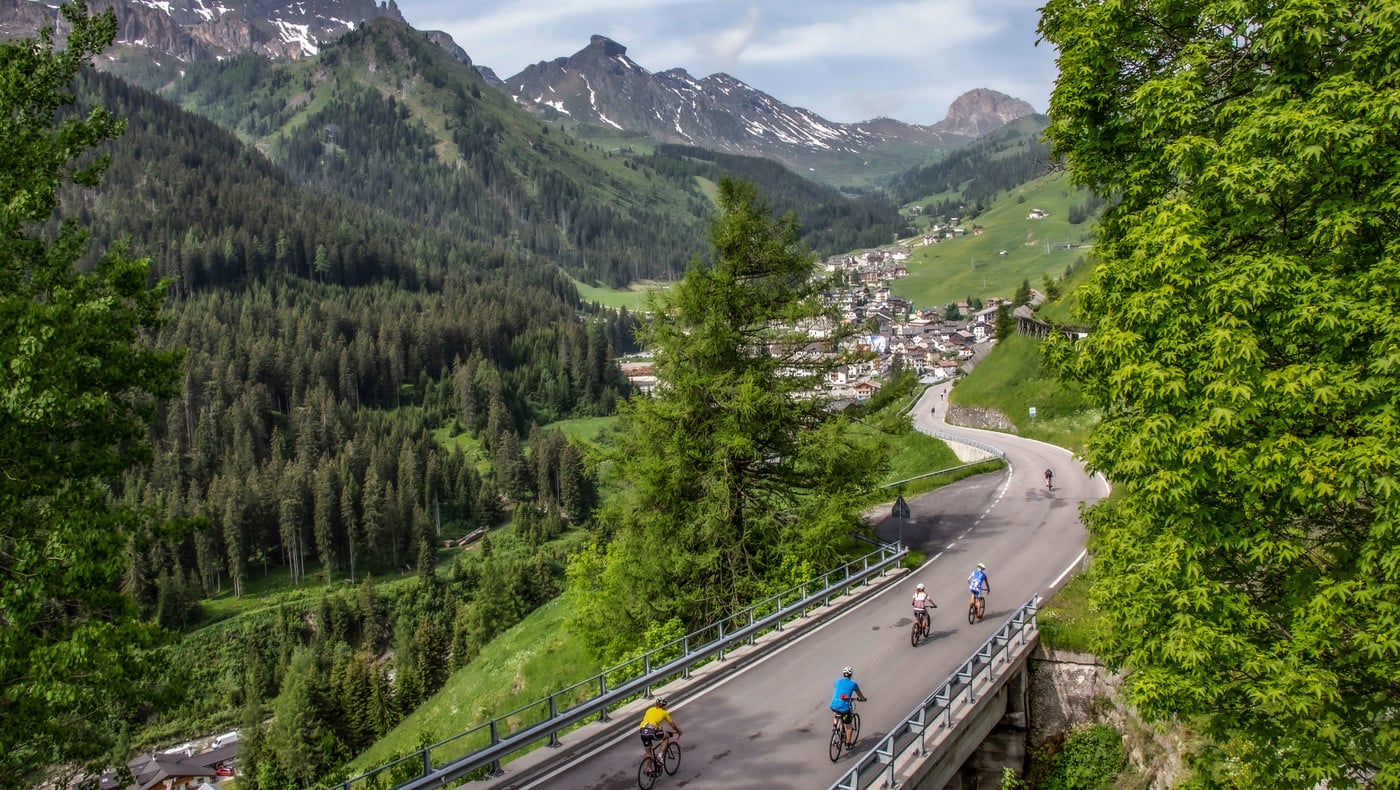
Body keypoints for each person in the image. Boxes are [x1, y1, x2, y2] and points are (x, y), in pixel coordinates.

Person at [830, 666, 867, 747]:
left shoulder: (836, 681)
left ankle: (835, 726)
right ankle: (848, 744)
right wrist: (863, 699)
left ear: (843, 674)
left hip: (833, 704)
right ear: (851, 675)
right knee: (849, 726)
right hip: (844, 708)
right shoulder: (853, 684)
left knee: (836, 712)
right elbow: (859, 694)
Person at [638, 696, 681, 764]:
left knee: (649, 753)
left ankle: (649, 769)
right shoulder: (664, 713)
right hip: (651, 732)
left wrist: (657, 728)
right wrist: (678, 731)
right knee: (666, 736)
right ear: (664, 706)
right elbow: (673, 725)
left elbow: (649, 722)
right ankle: (660, 756)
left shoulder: (649, 709)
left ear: (656, 703)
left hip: (643, 732)